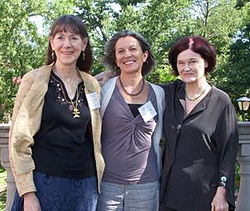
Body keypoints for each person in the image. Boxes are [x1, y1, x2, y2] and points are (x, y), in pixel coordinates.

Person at [9, 15, 104, 211]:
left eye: (74, 38)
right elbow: (18, 141)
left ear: (84, 44)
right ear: (52, 43)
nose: (67, 44)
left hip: (85, 186)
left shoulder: (92, 85)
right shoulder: (33, 80)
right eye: (60, 37)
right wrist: (28, 193)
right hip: (43, 183)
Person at [160, 36, 239, 211]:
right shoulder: (169, 94)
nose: (186, 68)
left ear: (206, 62)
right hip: (168, 194)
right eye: (180, 63)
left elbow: (228, 152)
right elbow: (137, 87)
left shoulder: (220, 101)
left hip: (204, 196)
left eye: (192, 61)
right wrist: (107, 76)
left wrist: (222, 191)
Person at [97, 30, 165, 210]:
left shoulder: (159, 94)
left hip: (146, 186)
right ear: (116, 59)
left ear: (144, 55)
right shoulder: (103, 90)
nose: (127, 54)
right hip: (107, 186)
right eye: (120, 51)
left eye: (133, 49)